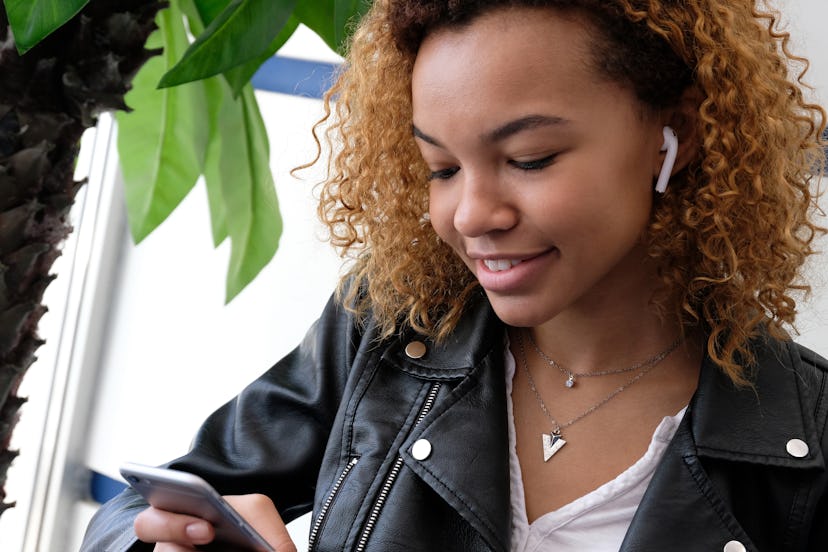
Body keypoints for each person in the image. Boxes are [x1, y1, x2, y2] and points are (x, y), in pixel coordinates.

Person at [81, 0, 828, 550]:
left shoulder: (808, 438)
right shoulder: (389, 330)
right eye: (440, 167)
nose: (471, 214)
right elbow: (137, 512)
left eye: (529, 159)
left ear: (678, 136)